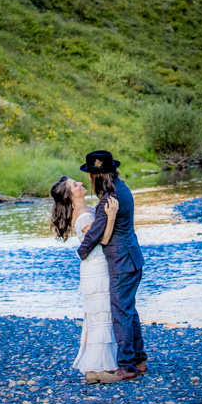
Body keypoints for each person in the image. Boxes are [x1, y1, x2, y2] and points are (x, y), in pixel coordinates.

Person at [77, 150, 147, 384]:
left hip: (121, 262)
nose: (88, 178)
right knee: (129, 310)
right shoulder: (121, 188)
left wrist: (81, 251)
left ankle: (127, 367)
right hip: (132, 258)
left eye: (90, 174)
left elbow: (95, 233)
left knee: (121, 313)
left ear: (95, 176)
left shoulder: (108, 199)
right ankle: (139, 361)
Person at [50, 175, 120, 383]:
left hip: (96, 267)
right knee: (101, 316)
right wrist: (113, 214)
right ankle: (98, 367)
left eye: (78, 182)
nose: (80, 184)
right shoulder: (82, 215)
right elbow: (103, 239)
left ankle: (98, 366)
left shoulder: (86, 209)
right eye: (75, 185)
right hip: (96, 268)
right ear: (70, 195)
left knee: (97, 316)